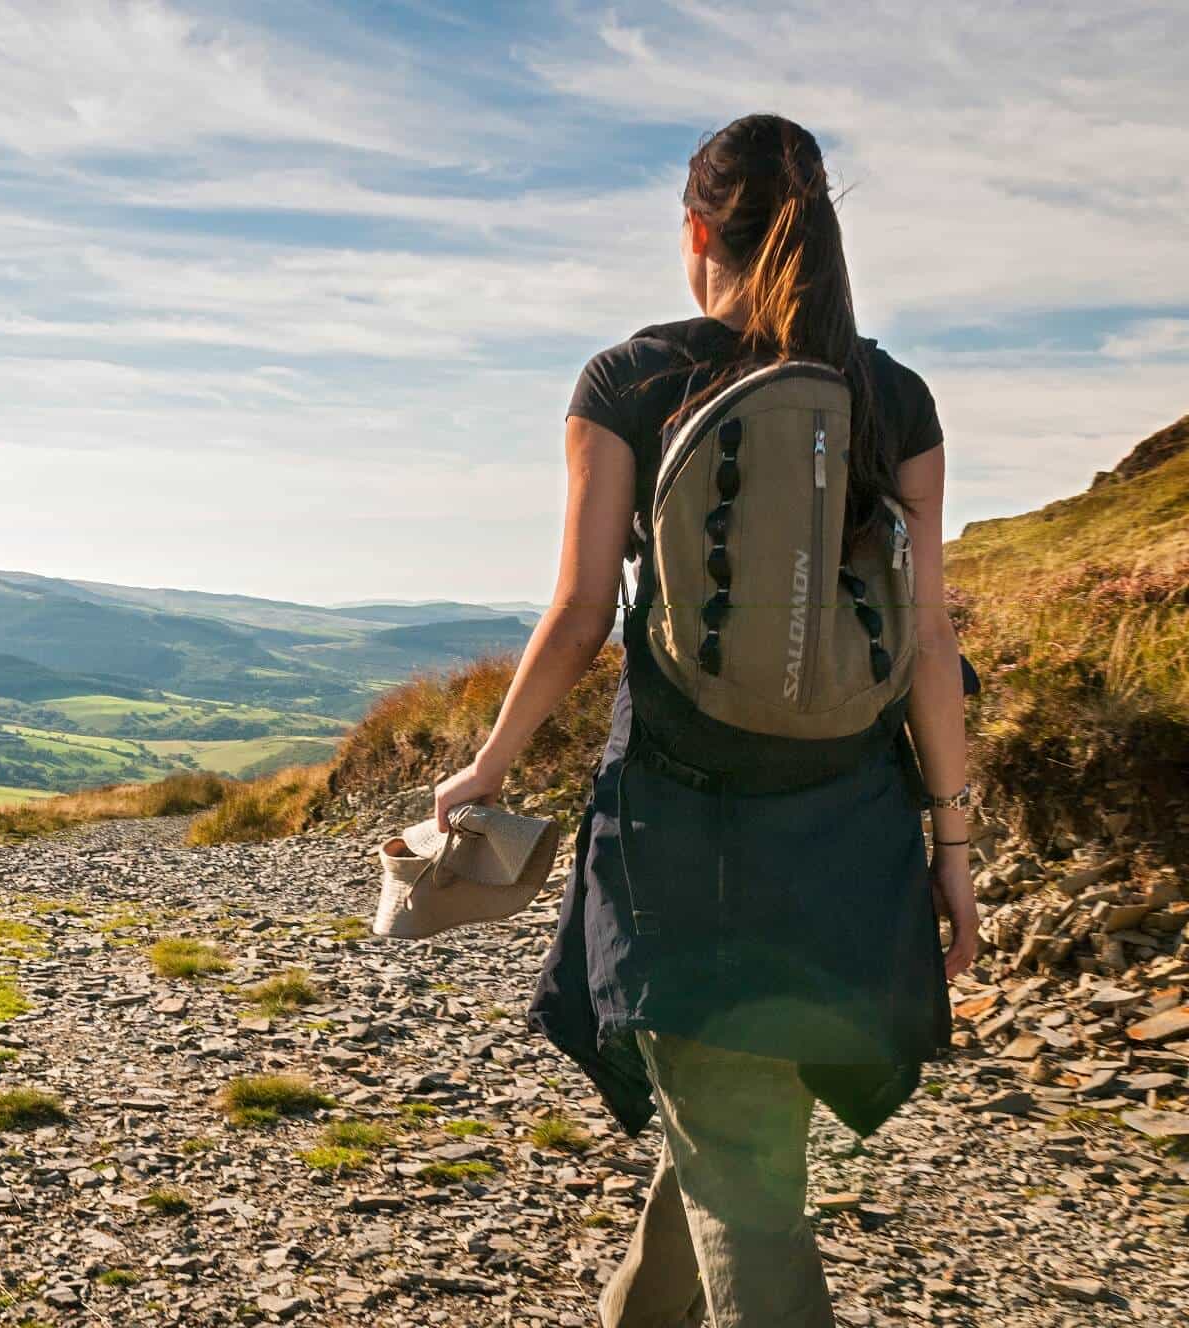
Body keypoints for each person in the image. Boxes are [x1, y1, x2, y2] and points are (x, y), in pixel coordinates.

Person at [432, 114, 977, 1327]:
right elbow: (928, 641)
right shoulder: (893, 396)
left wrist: (486, 765)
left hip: (680, 829)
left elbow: (581, 613)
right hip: (849, 832)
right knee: (735, 1123)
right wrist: (950, 847)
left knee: (738, 1157)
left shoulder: (629, 381)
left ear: (693, 231)